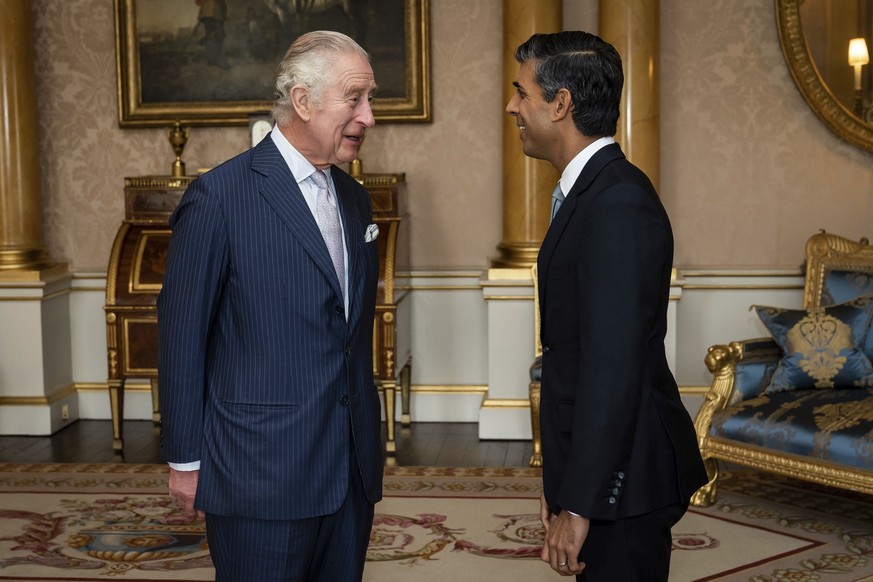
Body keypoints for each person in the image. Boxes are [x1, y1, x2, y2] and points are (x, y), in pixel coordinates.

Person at [157, 30, 382, 581]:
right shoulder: (220, 197)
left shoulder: (355, 198)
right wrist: (186, 460)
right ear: (303, 101)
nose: (369, 117)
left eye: (369, 99)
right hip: (259, 473)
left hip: (349, 470)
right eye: (355, 98)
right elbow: (182, 333)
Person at [506, 31, 708, 581]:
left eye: (521, 93)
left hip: (629, 476)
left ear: (561, 103)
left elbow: (612, 368)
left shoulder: (617, 201)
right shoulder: (592, 191)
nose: (512, 107)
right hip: (605, 469)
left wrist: (581, 502)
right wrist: (565, 484)